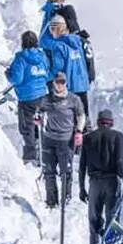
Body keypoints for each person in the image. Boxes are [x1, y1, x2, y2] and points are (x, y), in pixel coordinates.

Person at [78, 109, 123, 244]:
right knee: (112, 218)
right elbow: (120, 161)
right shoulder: (117, 136)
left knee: (94, 218)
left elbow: (82, 166)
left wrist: (81, 188)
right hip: (112, 182)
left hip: (94, 183)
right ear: (111, 122)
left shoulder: (88, 138)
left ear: (98, 122)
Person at [37, 72, 85, 208]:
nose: (60, 85)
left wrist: (79, 131)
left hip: (66, 140)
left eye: (62, 82)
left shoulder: (73, 99)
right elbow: (38, 111)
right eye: (57, 82)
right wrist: (38, 118)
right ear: (53, 84)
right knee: (49, 171)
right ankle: (51, 201)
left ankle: (66, 199)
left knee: (66, 172)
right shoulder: (46, 99)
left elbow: (81, 115)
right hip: (49, 139)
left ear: (66, 83)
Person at [5, 30, 49, 164]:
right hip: (42, 95)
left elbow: (16, 79)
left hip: (27, 98)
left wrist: (8, 74)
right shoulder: (42, 56)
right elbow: (47, 72)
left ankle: (30, 155)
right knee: (42, 123)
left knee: (27, 126)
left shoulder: (21, 58)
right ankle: (45, 150)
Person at [41, 14, 90, 115]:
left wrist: (45, 77)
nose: (52, 32)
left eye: (54, 28)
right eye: (51, 29)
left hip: (70, 87)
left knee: (72, 118)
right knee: (83, 116)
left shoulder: (58, 47)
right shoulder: (77, 42)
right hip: (82, 85)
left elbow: (57, 69)